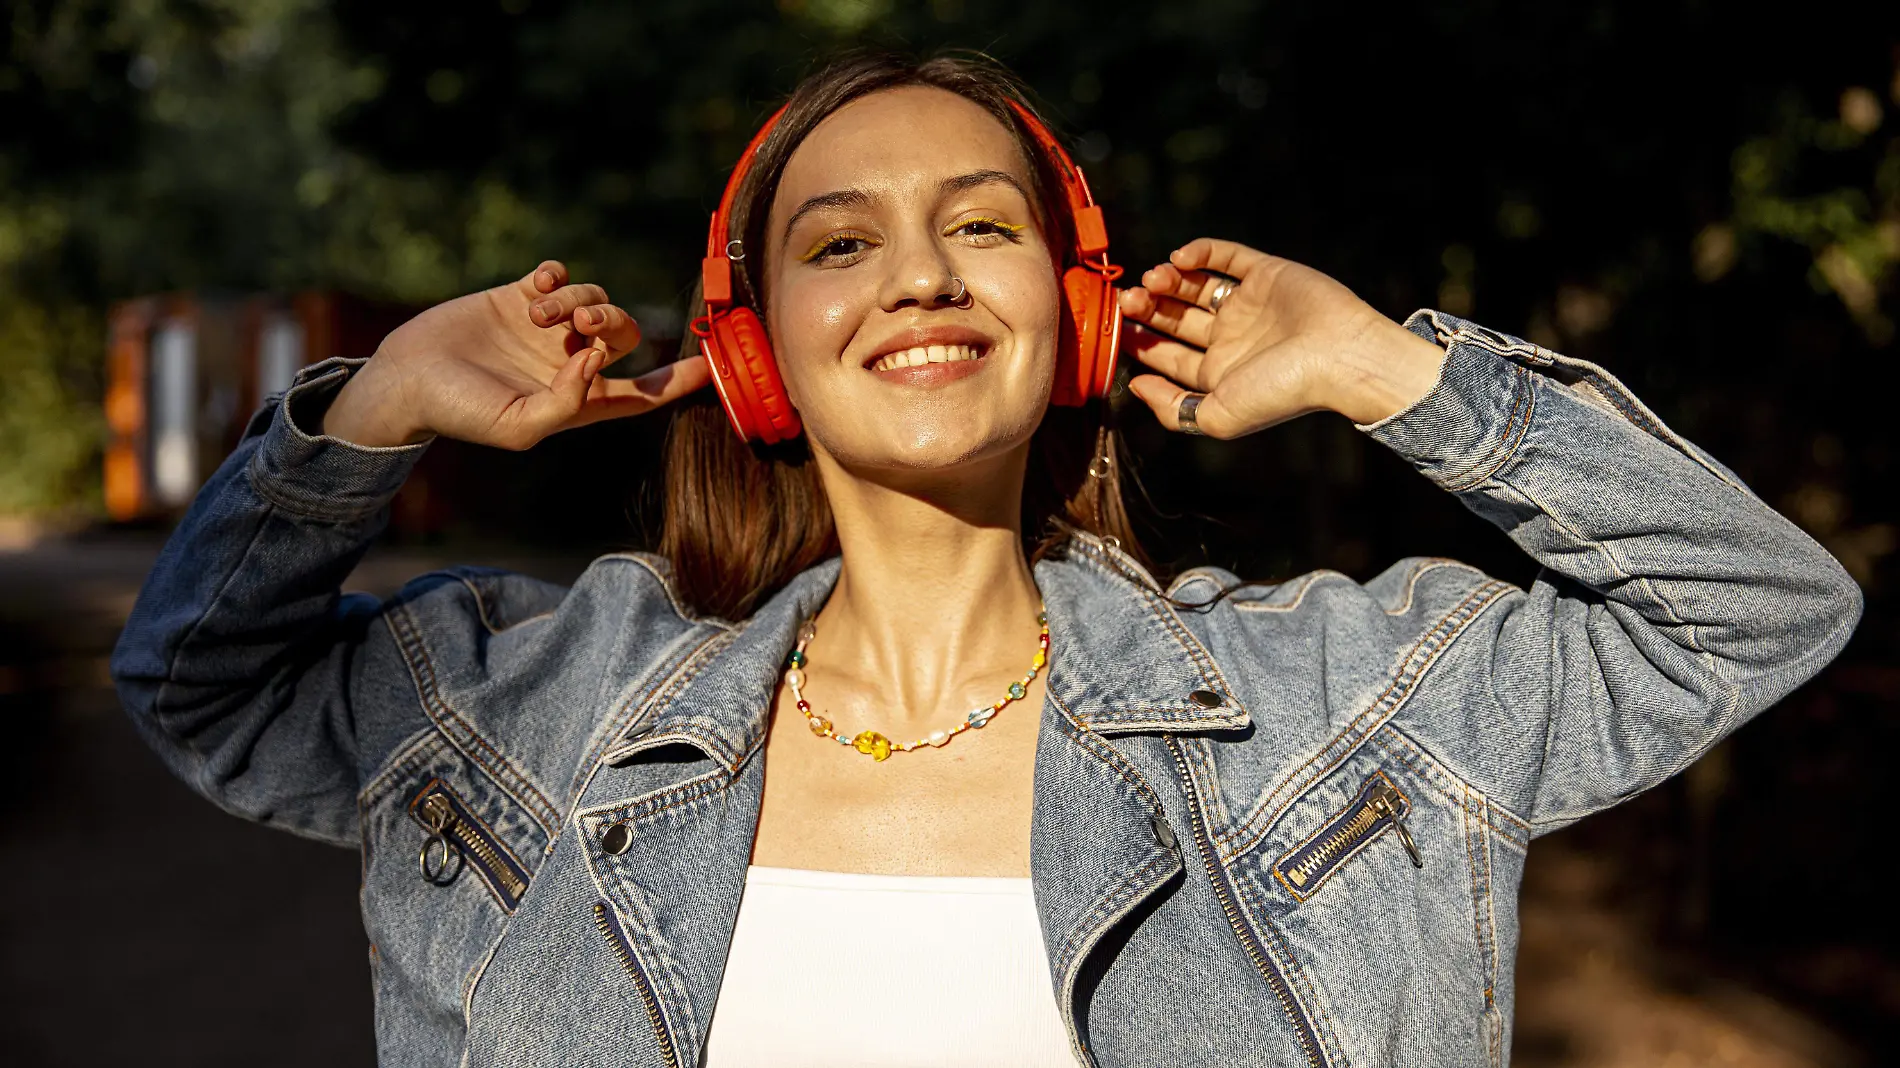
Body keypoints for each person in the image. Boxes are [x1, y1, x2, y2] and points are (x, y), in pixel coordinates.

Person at [112, 50, 1860, 1068]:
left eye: (983, 225)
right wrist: (368, 421)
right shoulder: (533, 709)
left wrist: (1388, 372)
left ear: (1076, 318)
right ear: (751, 353)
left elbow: (1755, 602)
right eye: (840, 240)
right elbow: (203, 682)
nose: (923, 276)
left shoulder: (1338, 716)